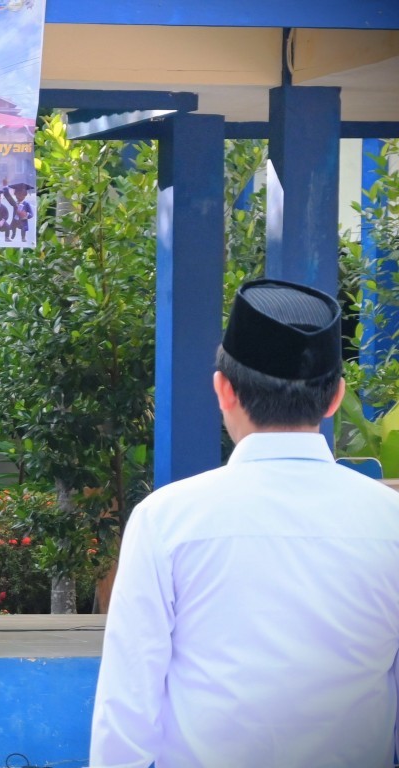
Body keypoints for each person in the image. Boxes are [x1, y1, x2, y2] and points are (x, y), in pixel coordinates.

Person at [90, 278, 399, 768]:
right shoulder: (391, 522)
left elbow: (127, 704)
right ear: (336, 397)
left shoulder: (165, 519)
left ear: (223, 390)